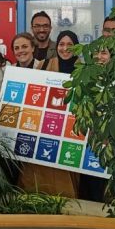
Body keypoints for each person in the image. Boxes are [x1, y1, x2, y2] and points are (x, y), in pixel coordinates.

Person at [30, 29, 80, 198]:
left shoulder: (84, 69)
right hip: (46, 126)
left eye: (70, 45)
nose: (65, 48)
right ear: (56, 46)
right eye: (61, 44)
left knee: (68, 168)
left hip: (71, 130)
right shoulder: (44, 65)